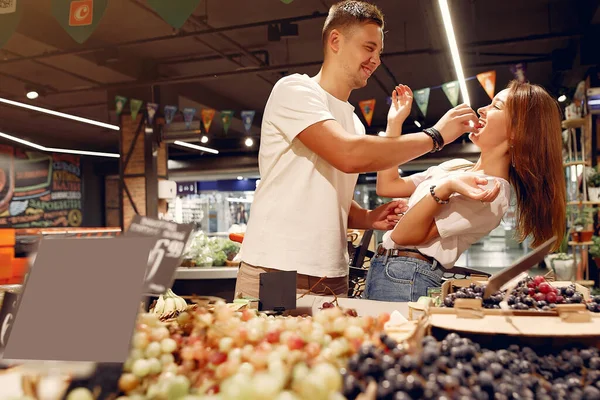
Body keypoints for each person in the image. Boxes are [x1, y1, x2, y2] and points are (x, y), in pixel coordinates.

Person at [234, 0, 481, 299]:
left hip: (333, 273)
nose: (375, 60)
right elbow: (349, 155)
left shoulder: (354, 121)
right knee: (268, 345)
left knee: (333, 346)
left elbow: (328, 191)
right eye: (368, 47)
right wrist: (435, 136)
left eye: (378, 51)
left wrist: (365, 217)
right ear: (335, 41)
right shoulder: (295, 90)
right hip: (275, 267)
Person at [364, 81, 567, 302]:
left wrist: (445, 187)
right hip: (383, 267)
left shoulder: (493, 190)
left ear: (517, 133)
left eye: (496, 106)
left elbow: (403, 235)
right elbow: (388, 185)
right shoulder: (458, 166)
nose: (482, 109)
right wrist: (394, 124)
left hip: (408, 275)